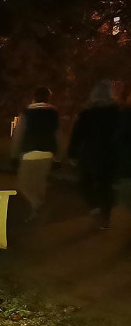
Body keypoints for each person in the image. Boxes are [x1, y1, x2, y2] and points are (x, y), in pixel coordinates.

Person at [68, 80, 121, 229]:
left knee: (85, 182)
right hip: (110, 154)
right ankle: (105, 216)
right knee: (105, 185)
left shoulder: (87, 113)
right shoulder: (116, 112)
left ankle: (95, 207)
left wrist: (72, 153)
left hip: (90, 154)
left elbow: (77, 135)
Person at [11, 86, 59, 219]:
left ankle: (36, 205)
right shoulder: (53, 113)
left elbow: (18, 135)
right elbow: (56, 134)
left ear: (34, 97)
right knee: (40, 183)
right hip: (47, 153)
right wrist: (57, 156)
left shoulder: (26, 113)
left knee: (23, 184)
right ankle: (36, 211)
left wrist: (14, 155)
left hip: (29, 152)